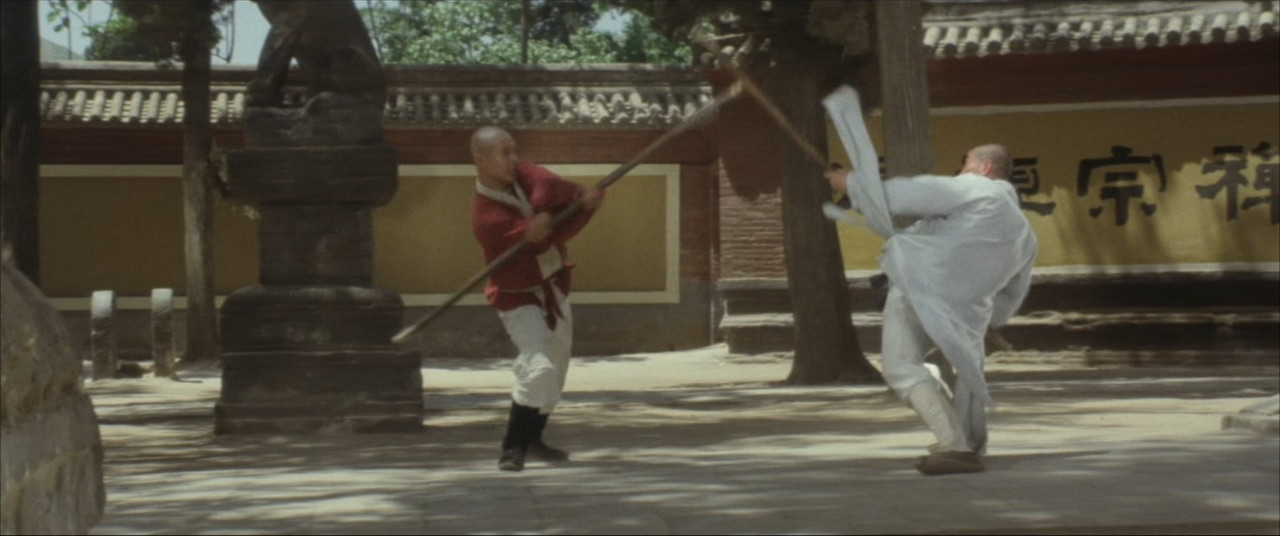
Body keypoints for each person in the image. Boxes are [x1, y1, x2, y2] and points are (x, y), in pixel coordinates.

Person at [825, 143, 1038, 475]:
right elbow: (1014, 289)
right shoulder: (1024, 232)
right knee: (965, 373)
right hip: (968, 309)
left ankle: (954, 445)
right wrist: (992, 319)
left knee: (901, 366)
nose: (961, 170)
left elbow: (918, 192)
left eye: (966, 162)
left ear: (984, 168)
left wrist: (851, 182)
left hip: (922, 288)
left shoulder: (980, 189)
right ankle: (966, 441)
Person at [470, 126, 605, 472]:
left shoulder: (523, 174)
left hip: (553, 286)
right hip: (517, 297)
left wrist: (577, 202)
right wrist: (547, 223)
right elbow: (547, 235)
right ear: (480, 160)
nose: (514, 160)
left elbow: (550, 188)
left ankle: (533, 439)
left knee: (556, 371)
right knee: (538, 365)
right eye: (504, 154)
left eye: (514, 151)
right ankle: (511, 448)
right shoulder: (486, 216)